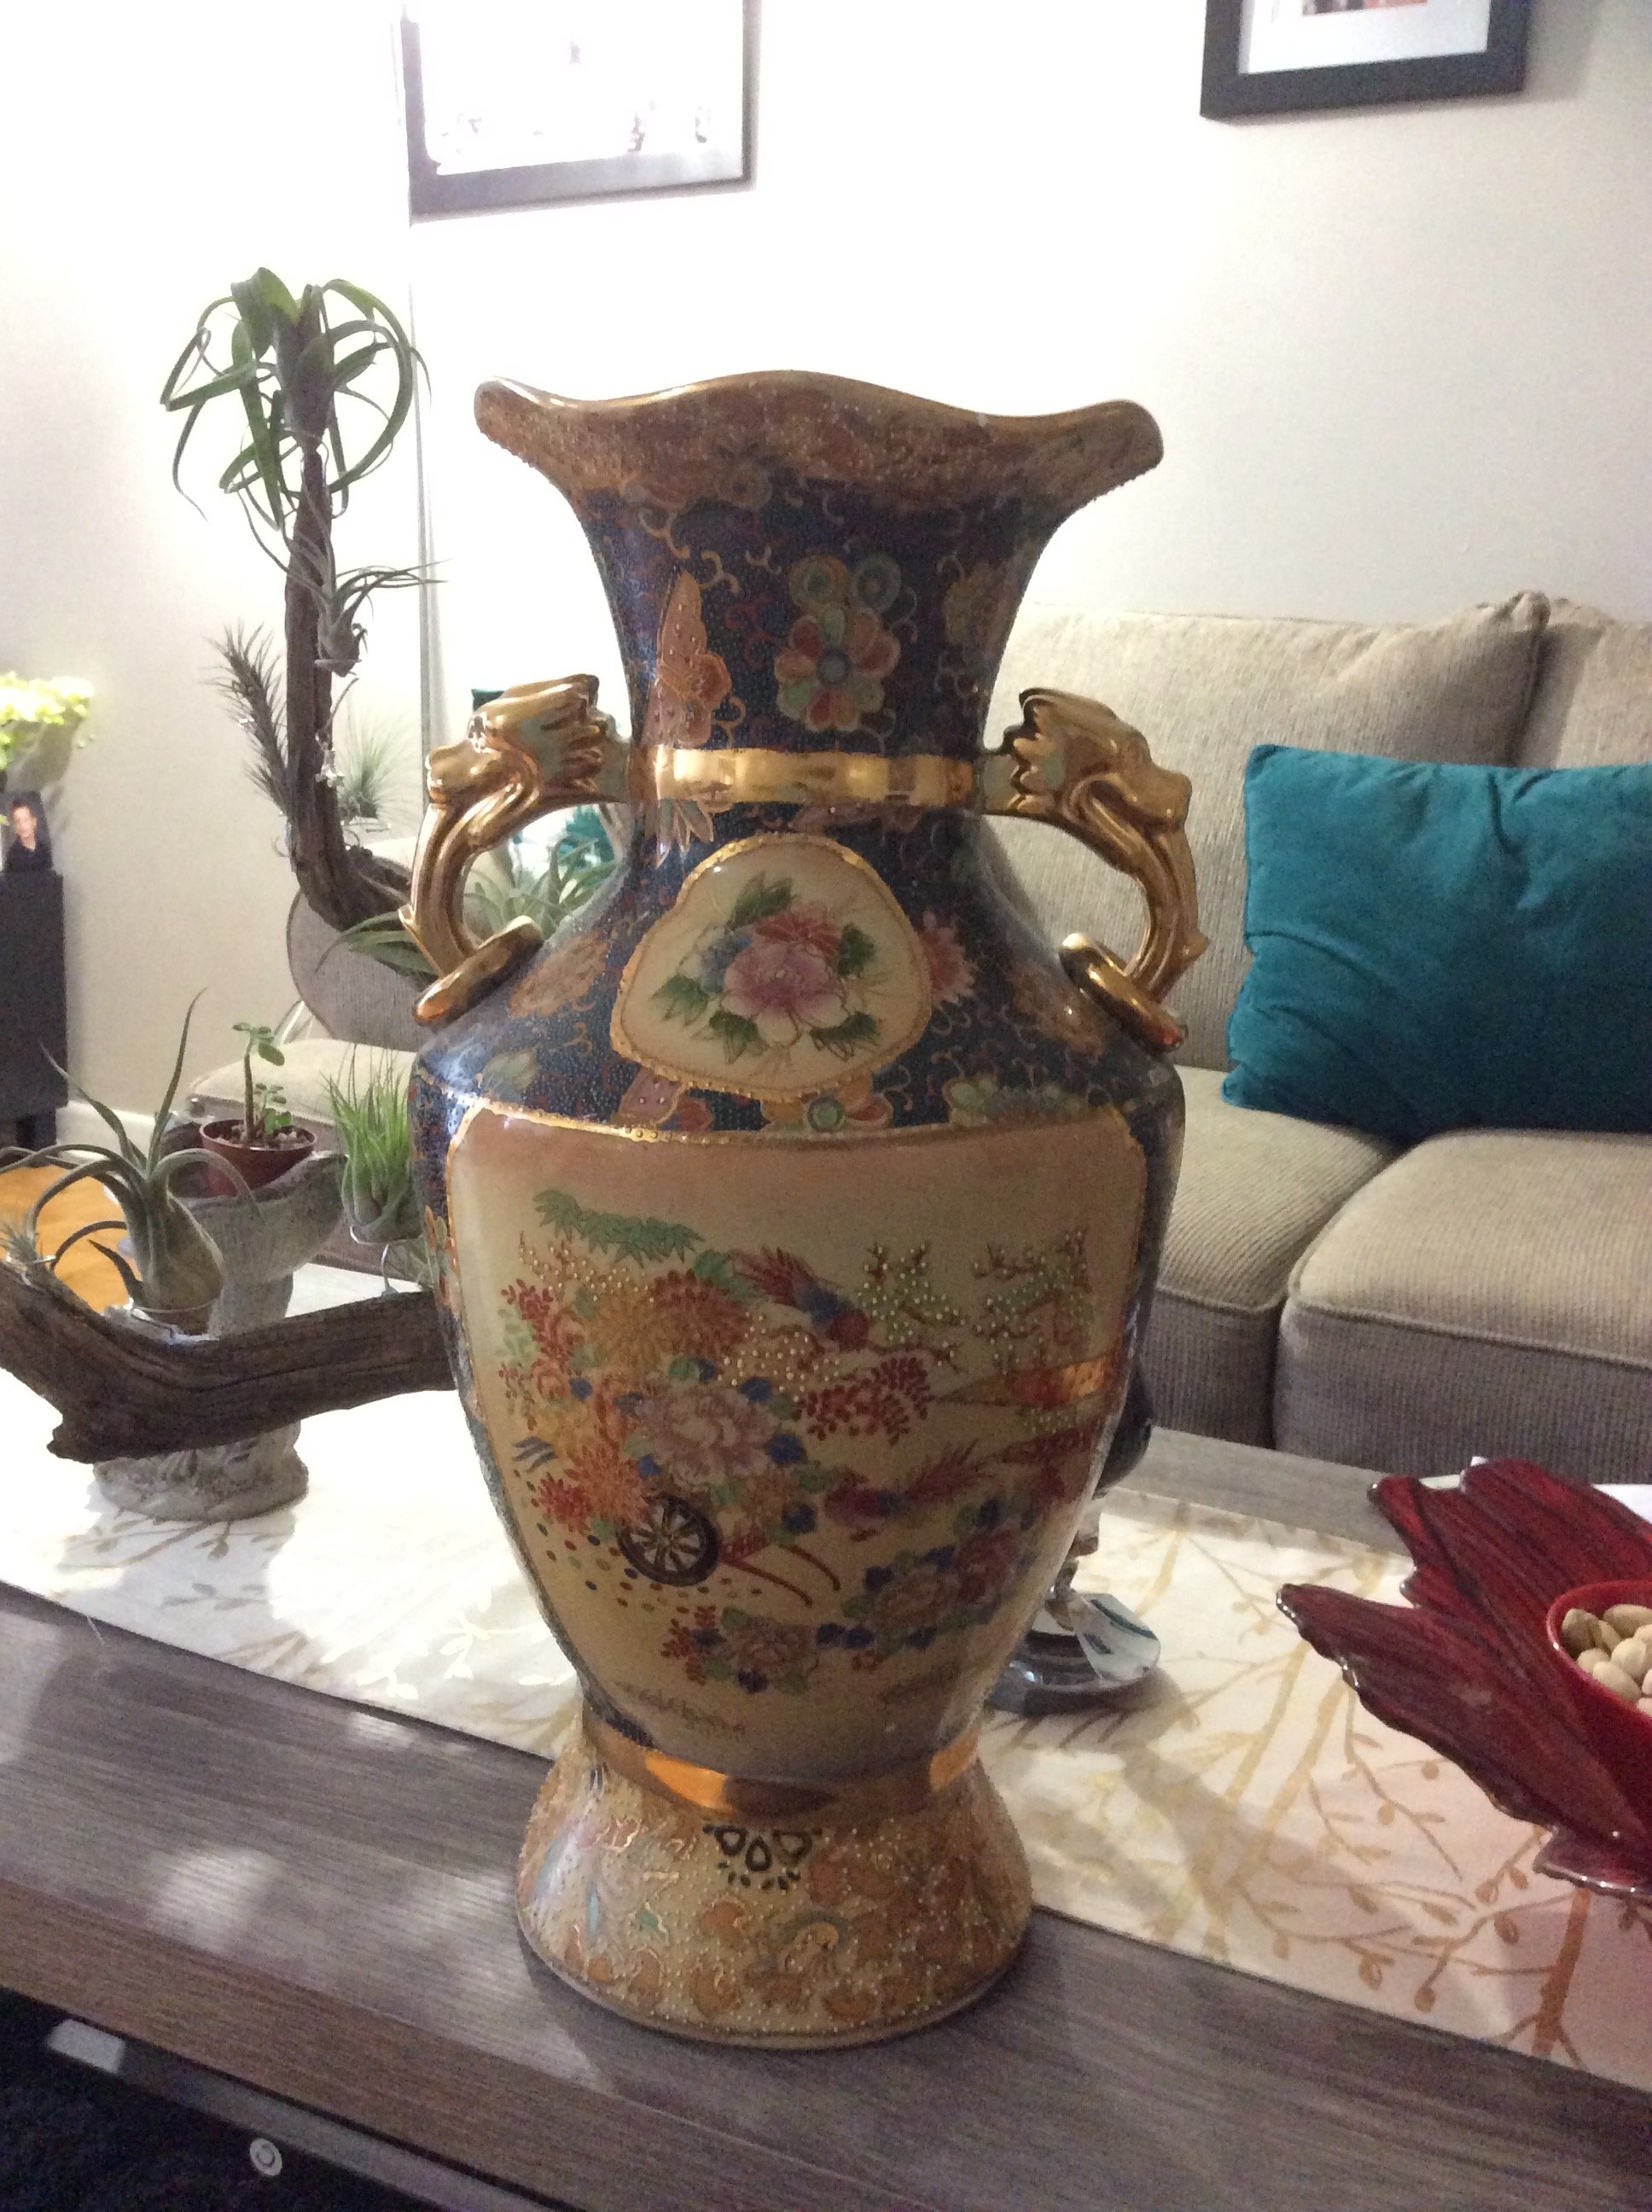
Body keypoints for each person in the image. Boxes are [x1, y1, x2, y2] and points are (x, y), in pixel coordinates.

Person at [3, 795, 51, 874]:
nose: (22, 825)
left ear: (34, 821)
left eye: (25, 820)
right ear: (15, 826)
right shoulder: (13, 857)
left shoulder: (44, 849)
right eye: (18, 821)